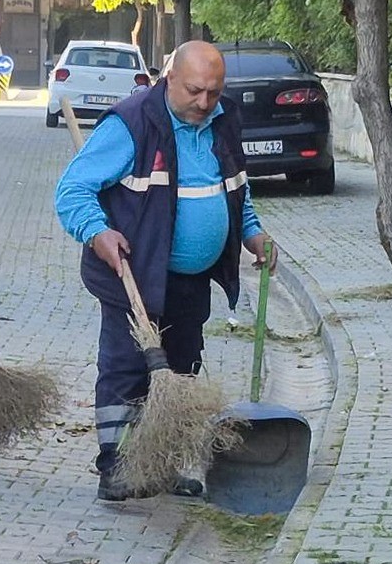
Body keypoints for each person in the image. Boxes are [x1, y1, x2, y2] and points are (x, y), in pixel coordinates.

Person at [55, 40, 278, 502]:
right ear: (169, 78)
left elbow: (237, 188)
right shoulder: (132, 123)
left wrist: (251, 232)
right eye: (195, 91)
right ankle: (117, 467)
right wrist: (98, 233)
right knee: (126, 370)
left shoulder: (223, 121)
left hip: (190, 280)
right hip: (133, 274)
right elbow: (72, 191)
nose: (205, 102)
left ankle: (165, 462)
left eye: (213, 92)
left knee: (182, 367)